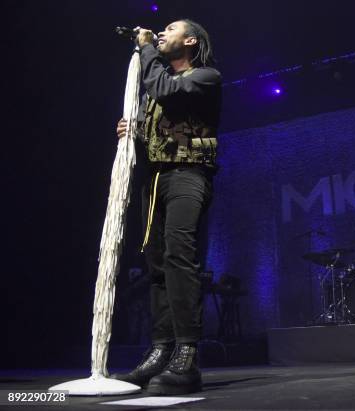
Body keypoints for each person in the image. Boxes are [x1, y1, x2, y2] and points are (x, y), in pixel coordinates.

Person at [111, 19, 222, 395]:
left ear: (190, 40)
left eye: (170, 29)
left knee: (179, 257)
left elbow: (164, 89)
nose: (160, 33)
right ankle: (161, 350)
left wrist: (144, 49)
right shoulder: (158, 88)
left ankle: (188, 353)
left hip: (190, 175)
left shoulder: (205, 76)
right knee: (156, 264)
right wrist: (134, 132)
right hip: (156, 180)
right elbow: (160, 131)